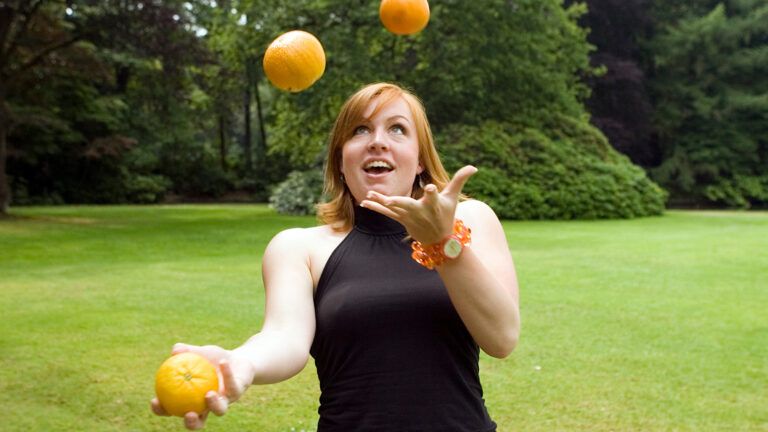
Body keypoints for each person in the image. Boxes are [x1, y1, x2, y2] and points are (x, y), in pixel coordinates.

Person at [151, 82, 520, 431]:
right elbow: (284, 337)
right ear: (341, 162)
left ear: (420, 159)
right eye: (359, 130)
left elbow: (502, 337)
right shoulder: (299, 247)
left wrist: (442, 242)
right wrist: (242, 363)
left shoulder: (470, 221)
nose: (377, 142)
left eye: (397, 129)